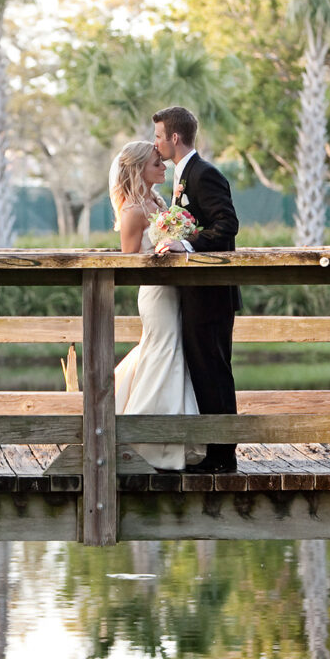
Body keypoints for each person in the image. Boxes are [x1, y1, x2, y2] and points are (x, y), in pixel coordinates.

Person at [153, 106, 241, 473]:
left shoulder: (204, 175)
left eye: (158, 136)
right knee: (202, 370)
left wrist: (185, 245)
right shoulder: (181, 176)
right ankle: (213, 451)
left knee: (214, 371)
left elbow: (227, 226)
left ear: (175, 137)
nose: (155, 143)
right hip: (195, 294)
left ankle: (223, 457)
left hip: (212, 293)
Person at [110, 140, 204, 471]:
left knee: (171, 350)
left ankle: (170, 440)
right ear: (139, 169)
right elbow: (129, 261)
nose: (164, 166)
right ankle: (141, 439)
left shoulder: (157, 200)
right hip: (155, 292)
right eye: (156, 163)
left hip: (175, 289)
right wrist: (157, 255)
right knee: (162, 349)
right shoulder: (133, 210)